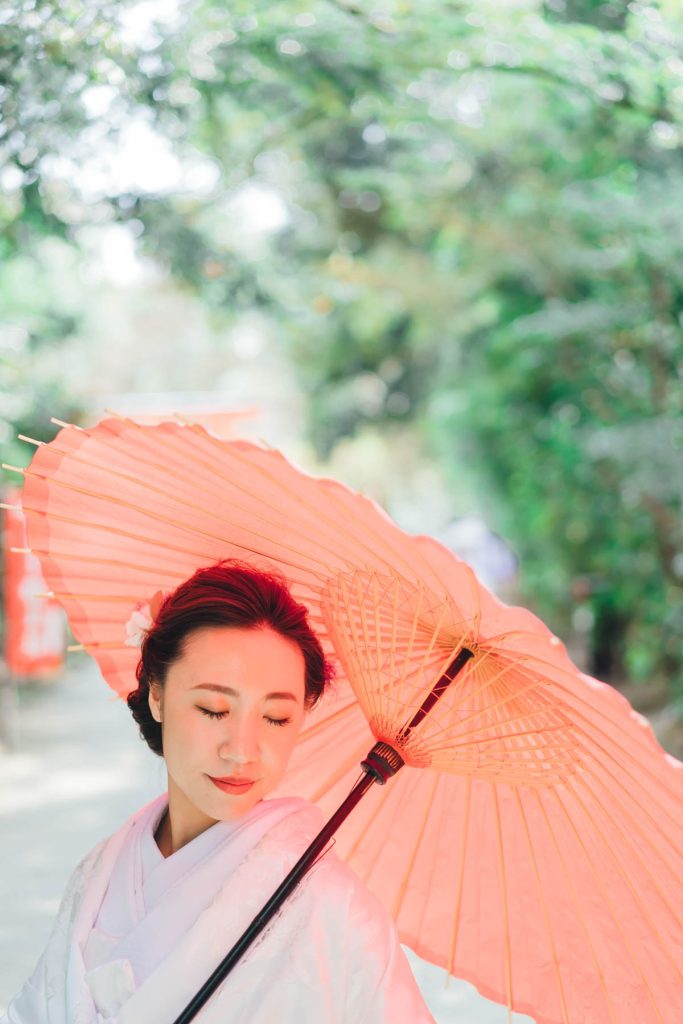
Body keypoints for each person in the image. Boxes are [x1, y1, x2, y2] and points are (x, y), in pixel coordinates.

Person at [2, 562, 435, 1023]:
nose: (243, 750)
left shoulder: (334, 911)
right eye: (213, 709)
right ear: (156, 694)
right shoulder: (98, 873)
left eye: (275, 719)